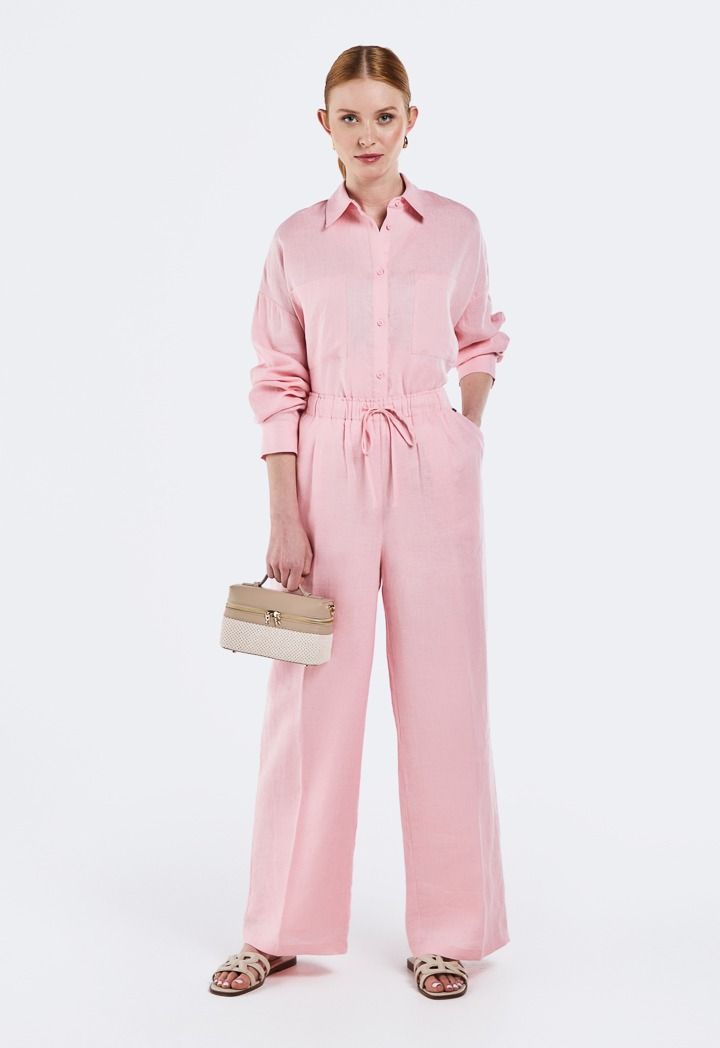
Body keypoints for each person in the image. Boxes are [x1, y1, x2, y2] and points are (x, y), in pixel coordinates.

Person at [210, 44, 510, 1000]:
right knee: (311, 701)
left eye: (385, 115)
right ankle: (277, 929)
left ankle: (449, 933)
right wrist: (284, 513)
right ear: (324, 125)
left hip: (430, 459)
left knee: (446, 697)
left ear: (411, 121)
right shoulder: (296, 240)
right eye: (350, 116)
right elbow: (276, 377)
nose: (368, 134)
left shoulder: (455, 228)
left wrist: (463, 432)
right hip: (327, 465)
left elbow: (481, 337)